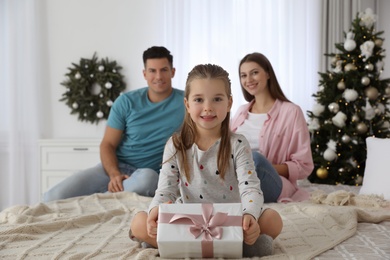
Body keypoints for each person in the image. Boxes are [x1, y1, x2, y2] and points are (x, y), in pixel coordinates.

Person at [129, 64, 283, 258]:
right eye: (199, 100)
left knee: (273, 219)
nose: (208, 107)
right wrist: (155, 212)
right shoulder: (175, 144)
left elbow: (250, 188)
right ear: (187, 104)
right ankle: (240, 248)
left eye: (217, 99)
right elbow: (165, 189)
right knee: (139, 222)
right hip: (187, 222)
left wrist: (250, 216)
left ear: (228, 103)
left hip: (231, 222)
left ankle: (173, 246)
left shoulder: (238, 144)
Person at [43, 46, 185, 202]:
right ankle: (107, 196)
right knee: (53, 196)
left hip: (148, 173)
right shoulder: (126, 101)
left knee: (148, 179)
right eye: (152, 71)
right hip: (116, 167)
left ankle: (96, 202)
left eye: (164, 70)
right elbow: (107, 144)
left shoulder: (187, 103)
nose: (158, 76)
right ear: (144, 74)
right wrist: (114, 175)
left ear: (173, 72)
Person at [231, 52, 314, 203]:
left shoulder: (291, 112)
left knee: (253, 158)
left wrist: (261, 168)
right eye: (243, 75)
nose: (248, 80)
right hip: (237, 178)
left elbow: (304, 166)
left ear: (268, 73)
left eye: (254, 73)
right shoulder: (240, 112)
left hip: (271, 182)